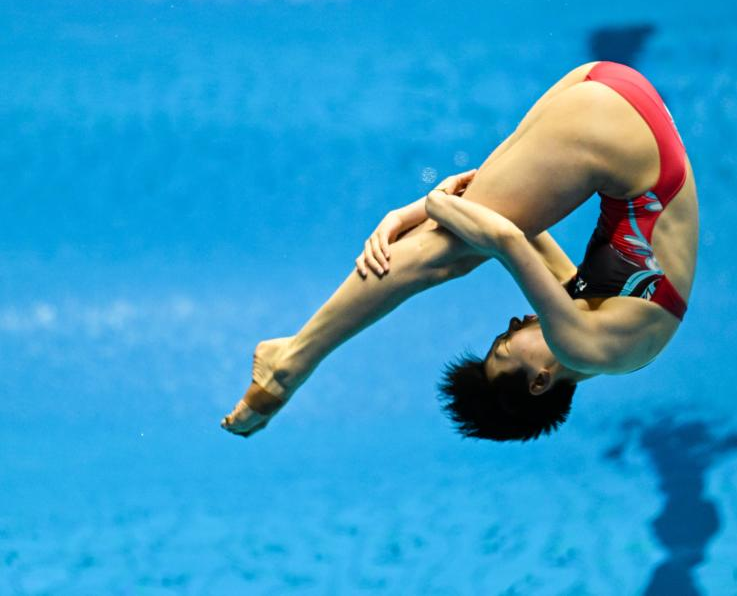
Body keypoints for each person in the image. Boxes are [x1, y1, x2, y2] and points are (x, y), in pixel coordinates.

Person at [221, 60, 699, 441]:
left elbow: (515, 228)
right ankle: (292, 363)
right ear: (539, 381)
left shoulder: (603, 337)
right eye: (504, 347)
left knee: (459, 240)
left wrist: (417, 213)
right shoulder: (584, 345)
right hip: (610, 124)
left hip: (615, 90)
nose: (511, 326)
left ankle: (294, 356)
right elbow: (506, 238)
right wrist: (430, 204)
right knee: (446, 256)